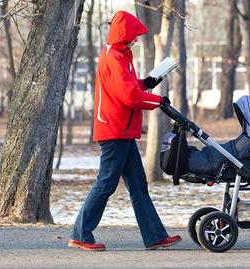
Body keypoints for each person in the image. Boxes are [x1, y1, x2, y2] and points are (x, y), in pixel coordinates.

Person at [69, 10, 181, 251]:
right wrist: (157, 101)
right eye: (134, 35)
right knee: (106, 183)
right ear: (124, 34)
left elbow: (129, 87)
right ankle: (80, 233)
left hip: (123, 131)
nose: (137, 39)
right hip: (114, 129)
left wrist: (147, 83)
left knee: (138, 185)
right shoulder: (114, 58)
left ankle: (154, 236)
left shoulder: (120, 55)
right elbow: (129, 96)